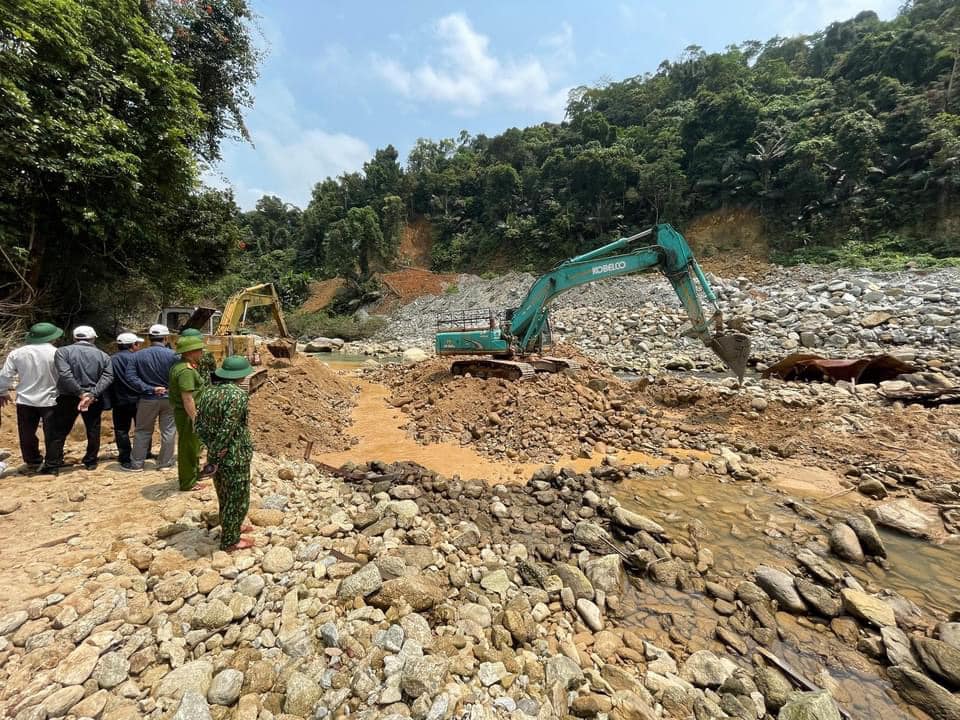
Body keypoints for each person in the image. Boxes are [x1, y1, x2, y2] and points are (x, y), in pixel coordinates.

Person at [196, 356, 255, 551]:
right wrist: (217, 451)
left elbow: (198, 425)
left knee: (223, 494)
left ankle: (232, 527)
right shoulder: (238, 396)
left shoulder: (207, 393)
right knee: (237, 498)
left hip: (217, 454)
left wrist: (210, 449)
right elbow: (228, 428)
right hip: (234, 455)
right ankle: (230, 541)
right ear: (241, 375)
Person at [45, 325, 114, 473]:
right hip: (93, 399)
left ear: (75, 338)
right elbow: (108, 377)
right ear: (93, 338)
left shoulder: (62, 352)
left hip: (68, 396)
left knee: (59, 431)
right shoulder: (103, 355)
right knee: (93, 429)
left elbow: (65, 374)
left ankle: (52, 465)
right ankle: (91, 461)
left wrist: (80, 393)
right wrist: (92, 394)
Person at [0, 322, 62, 472]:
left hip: (25, 399)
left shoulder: (17, 353)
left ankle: (32, 460)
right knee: (52, 433)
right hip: (51, 399)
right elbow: (64, 375)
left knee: (26, 432)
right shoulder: (57, 353)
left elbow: (5, 376)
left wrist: (2, 392)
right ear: (52, 338)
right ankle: (52, 463)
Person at [122, 324, 178, 472]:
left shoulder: (137, 355)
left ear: (149, 338)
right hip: (169, 398)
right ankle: (165, 463)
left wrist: (150, 388)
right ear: (166, 338)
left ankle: (137, 464)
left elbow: (130, 377)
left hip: (147, 399)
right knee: (169, 431)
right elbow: (180, 375)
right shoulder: (173, 356)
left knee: (142, 431)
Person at [169, 335, 206, 491]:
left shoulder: (182, 366)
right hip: (187, 414)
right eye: (199, 350)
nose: (202, 353)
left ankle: (194, 473)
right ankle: (188, 482)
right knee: (188, 447)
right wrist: (195, 419)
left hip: (187, 413)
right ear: (191, 352)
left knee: (194, 445)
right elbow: (187, 398)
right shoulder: (186, 371)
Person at [109, 332, 143, 468]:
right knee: (142, 428)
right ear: (133, 345)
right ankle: (143, 453)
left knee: (121, 429)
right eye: (137, 344)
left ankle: (125, 457)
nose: (138, 346)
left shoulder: (111, 359)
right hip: (139, 399)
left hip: (119, 400)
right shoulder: (139, 358)